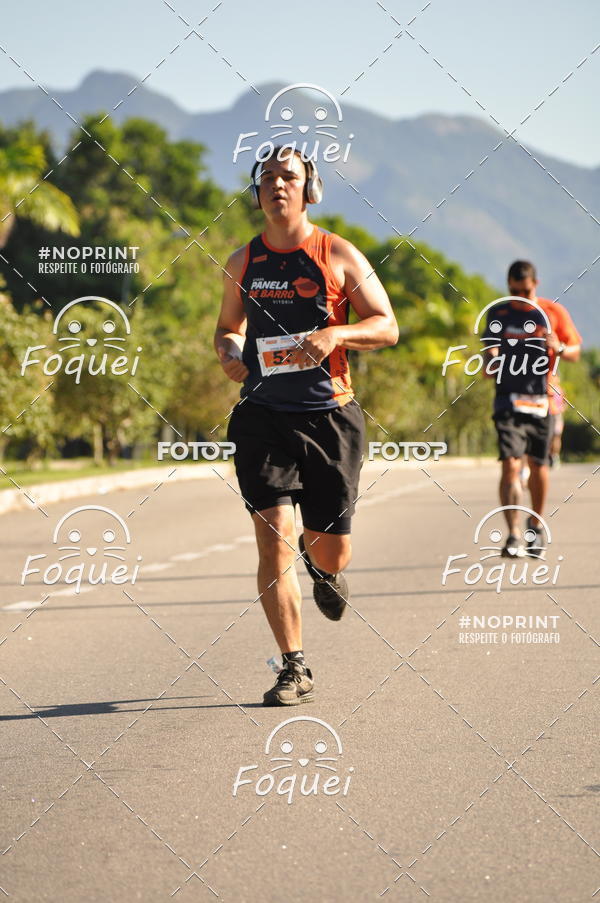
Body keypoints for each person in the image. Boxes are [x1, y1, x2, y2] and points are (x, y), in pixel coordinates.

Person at [214, 146, 398, 705]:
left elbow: (387, 326)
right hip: (263, 417)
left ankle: (324, 571)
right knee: (272, 541)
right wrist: (229, 351)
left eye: (288, 177)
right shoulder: (243, 261)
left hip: (330, 418)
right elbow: (227, 327)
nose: (276, 186)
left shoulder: (338, 253)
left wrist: (336, 335)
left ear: (309, 188)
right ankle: (293, 667)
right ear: (257, 191)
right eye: (266, 177)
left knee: (328, 551)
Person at [484, 260, 581, 558]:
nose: (521, 296)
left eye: (525, 291)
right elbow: (489, 349)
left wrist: (560, 347)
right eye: (514, 291)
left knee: (539, 467)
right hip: (508, 399)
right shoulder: (498, 312)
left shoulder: (553, 313)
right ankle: (512, 533)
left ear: (535, 284)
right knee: (511, 464)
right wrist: (492, 358)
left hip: (543, 400)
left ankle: (535, 526)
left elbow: (576, 351)